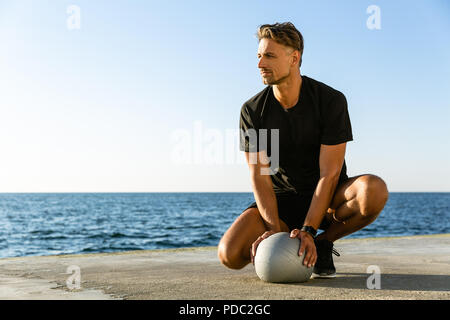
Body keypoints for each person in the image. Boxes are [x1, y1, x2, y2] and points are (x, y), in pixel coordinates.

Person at [218, 22, 389, 278]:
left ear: (294, 58)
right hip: (281, 201)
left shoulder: (330, 101)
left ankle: (323, 243)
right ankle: (293, 241)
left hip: (328, 198)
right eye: (259, 56)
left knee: (373, 191)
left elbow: (328, 174)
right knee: (228, 254)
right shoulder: (253, 111)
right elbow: (260, 176)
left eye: (269, 56)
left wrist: (309, 230)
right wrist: (275, 232)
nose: (260, 64)